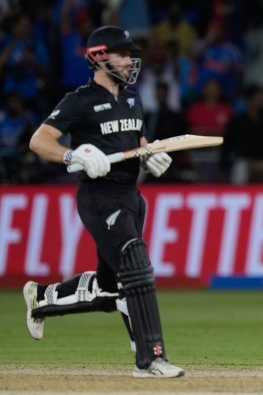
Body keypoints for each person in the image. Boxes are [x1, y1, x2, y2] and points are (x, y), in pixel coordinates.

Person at [23, 25, 184, 378]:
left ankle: (42, 299)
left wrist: (149, 156)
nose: (130, 60)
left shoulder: (132, 98)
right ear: (99, 57)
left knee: (110, 291)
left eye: (130, 54)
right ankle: (151, 359)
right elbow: (40, 141)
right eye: (123, 54)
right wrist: (72, 156)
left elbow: (138, 142)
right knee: (136, 269)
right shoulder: (78, 100)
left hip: (130, 195)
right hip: (99, 196)